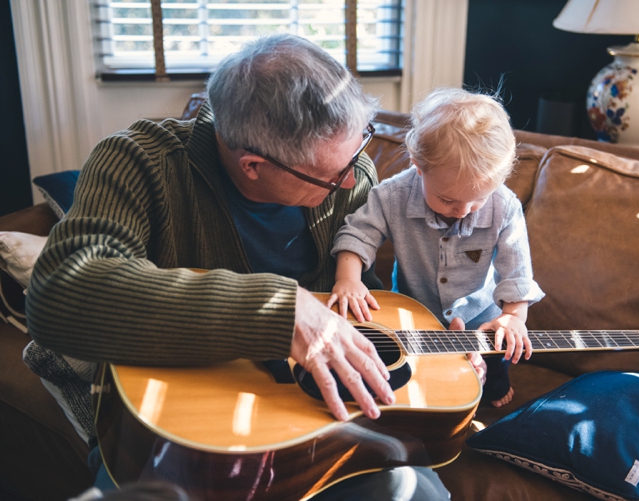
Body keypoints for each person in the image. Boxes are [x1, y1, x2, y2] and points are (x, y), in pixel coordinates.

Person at [25, 34, 450, 500]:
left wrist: (446, 357)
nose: (352, 178)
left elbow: (356, 303)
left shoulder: (352, 177)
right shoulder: (140, 162)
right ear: (253, 166)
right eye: (330, 175)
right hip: (174, 426)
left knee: (421, 493)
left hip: (307, 414)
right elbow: (62, 293)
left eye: (357, 150)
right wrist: (283, 311)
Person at [328, 87, 545, 407]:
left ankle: (496, 382)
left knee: (496, 360)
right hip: (415, 316)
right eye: (447, 199)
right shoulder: (392, 195)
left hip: (481, 321)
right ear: (418, 164)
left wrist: (513, 316)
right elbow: (359, 234)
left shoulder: (504, 206)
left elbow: (516, 270)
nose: (463, 210)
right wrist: (349, 279)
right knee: (424, 381)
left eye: (477, 200)